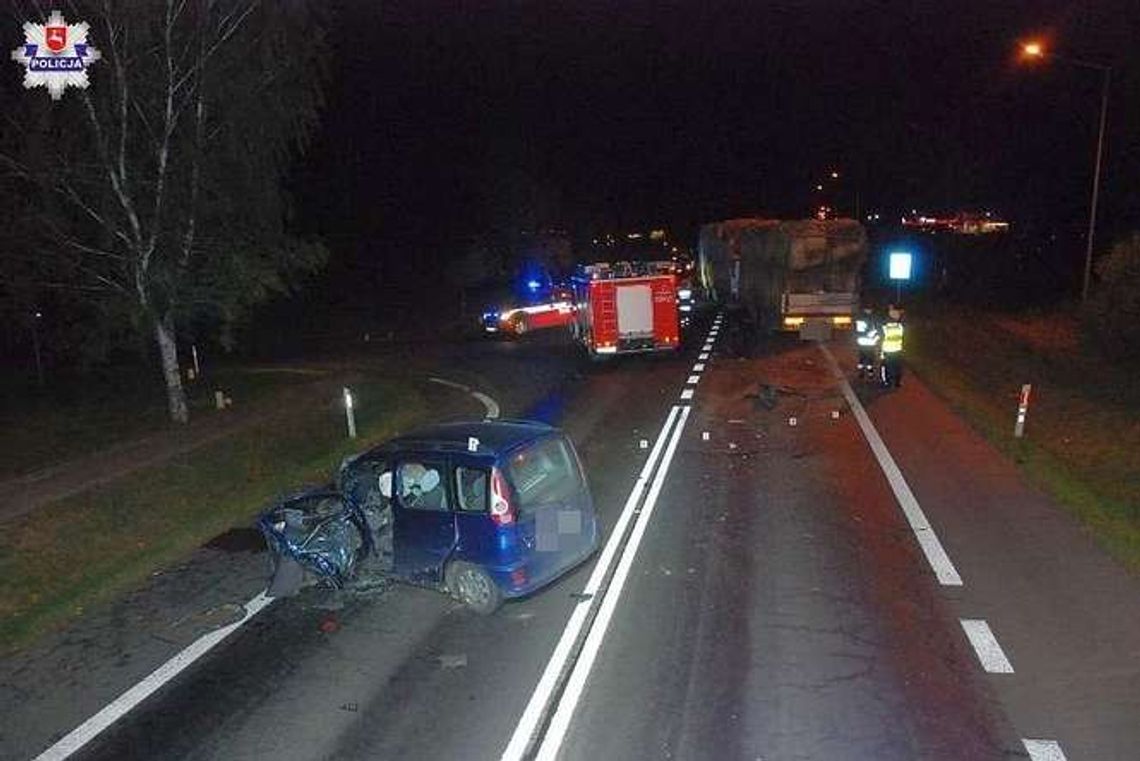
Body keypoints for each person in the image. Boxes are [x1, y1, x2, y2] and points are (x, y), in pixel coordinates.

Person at [879, 305, 905, 388]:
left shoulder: (885, 328)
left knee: (886, 366)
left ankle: (887, 382)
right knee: (897, 366)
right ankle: (897, 382)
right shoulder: (900, 327)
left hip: (888, 350)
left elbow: (880, 339)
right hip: (898, 349)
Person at [854, 307, 881, 381]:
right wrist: (876, 340)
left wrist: (857, 339)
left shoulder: (859, 319)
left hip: (861, 343)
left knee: (861, 359)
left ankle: (861, 373)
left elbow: (855, 330)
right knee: (870, 359)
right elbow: (877, 331)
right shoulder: (872, 319)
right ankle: (870, 374)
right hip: (870, 343)